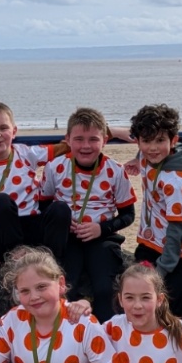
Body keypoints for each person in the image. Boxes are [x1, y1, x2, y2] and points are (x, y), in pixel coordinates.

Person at [39, 107, 136, 306]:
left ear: (104, 140)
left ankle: (104, 325)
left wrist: (101, 228)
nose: (86, 146)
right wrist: (64, 223)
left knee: (104, 290)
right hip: (67, 238)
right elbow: (44, 205)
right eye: (79, 139)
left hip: (102, 237)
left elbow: (128, 215)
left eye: (93, 139)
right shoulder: (55, 167)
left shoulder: (115, 171)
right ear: (68, 140)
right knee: (67, 287)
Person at [0, 101, 69, 269]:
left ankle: (53, 263)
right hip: (0, 230)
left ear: (14, 131)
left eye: (3, 128)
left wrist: (112, 132)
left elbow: (68, 146)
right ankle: (15, 253)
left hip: (31, 222)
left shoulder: (25, 153)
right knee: (0, 201)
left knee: (60, 209)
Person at [127, 103, 182, 317]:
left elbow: (178, 230)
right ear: (138, 141)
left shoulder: (177, 181)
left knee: (167, 306)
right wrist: (135, 157)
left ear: (174, 140)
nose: (153, 148)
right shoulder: (146, 156)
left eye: (160, 140)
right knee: (136, 293)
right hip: (150, 241)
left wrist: (162, 269)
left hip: (179, 251)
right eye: (146, 141)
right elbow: (140, 142)